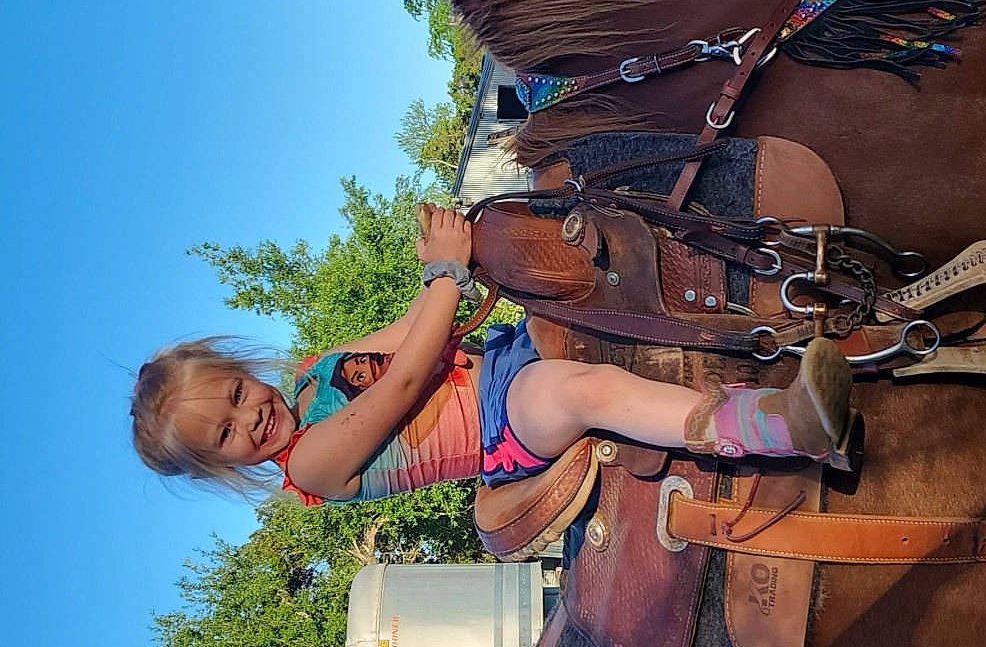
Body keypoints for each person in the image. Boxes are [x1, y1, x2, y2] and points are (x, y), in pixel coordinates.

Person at [131, 206, 856, 506]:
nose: (249, 418)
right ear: (222, 467)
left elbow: (410, 331)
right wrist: (447, 276)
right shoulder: (311, 466)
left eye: (235, 395)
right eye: (225, 435)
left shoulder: (311, 373)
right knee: (579, 392)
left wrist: (445, 257)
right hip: (499, 428)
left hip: (504, 354)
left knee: (572, 271)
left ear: (241, 372)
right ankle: (777, 427)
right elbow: (404, 381)